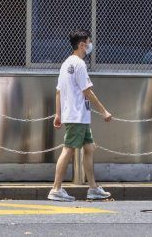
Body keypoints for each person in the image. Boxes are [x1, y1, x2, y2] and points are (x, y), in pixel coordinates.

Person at [48, 29, 113, 202]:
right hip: (77, 115)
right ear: (82, 45)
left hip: (78, 116)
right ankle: (56, 189)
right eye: (89, 42)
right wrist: (104, 111)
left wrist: (58, 114)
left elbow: (58, 92)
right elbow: (87, 91)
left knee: (89, 148)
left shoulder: (65, 64)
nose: (90, 45)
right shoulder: (79, 64)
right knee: (68, 149)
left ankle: (93, 188)